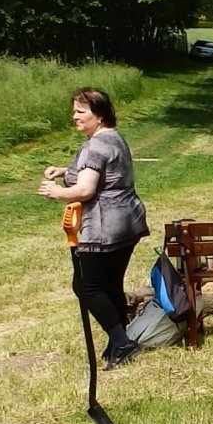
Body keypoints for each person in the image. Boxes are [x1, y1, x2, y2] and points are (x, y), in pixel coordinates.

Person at [40, 87, 149, 369]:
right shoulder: (113, 137)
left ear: (98, 115)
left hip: (104, 227)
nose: (74, 116)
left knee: (86, 285)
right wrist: (65, 171)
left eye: (80, 111)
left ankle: (123, 343)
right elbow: (103, 171)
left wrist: (56, 192)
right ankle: (119, 342)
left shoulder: (95, 145)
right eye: (74, 111)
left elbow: (86, 189)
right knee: (110, 283)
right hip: (128, 222)